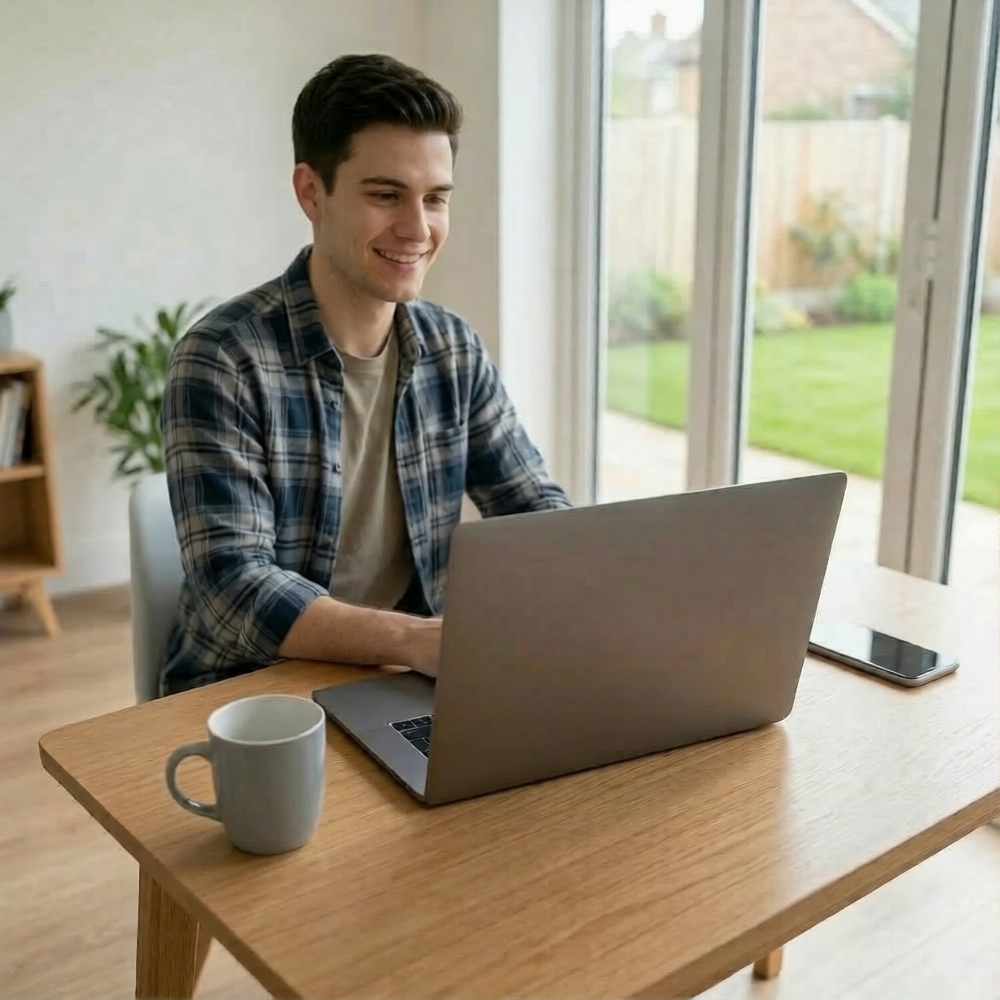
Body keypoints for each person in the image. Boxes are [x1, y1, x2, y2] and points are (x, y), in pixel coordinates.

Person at [159, 53, 571, 697]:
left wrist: (592, 586)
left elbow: (533, 508)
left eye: (435, 199)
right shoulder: (223, 358)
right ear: (310, 192)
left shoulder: (453, 348)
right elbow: (234, 587)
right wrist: (416, 640)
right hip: (251, 690)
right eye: (385, 195)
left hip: (405, 678)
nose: (417, 228)